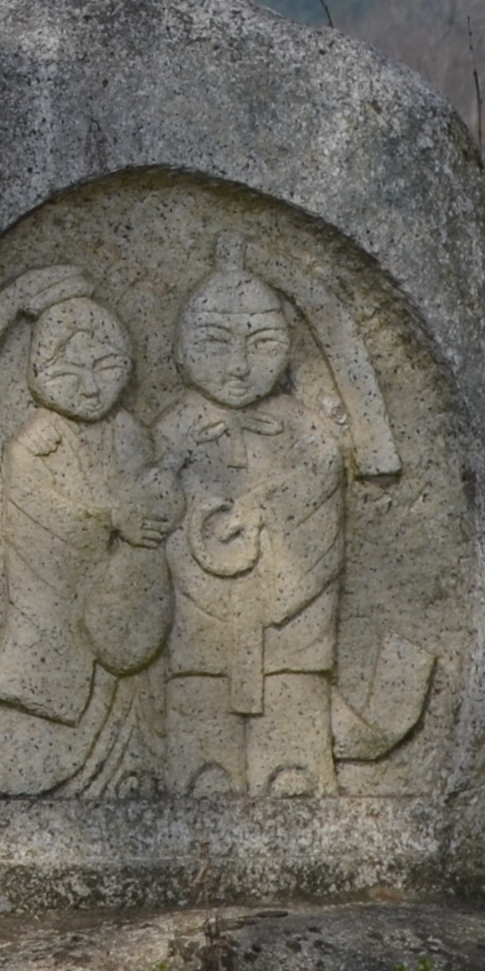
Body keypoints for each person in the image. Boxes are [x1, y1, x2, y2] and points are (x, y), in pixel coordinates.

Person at [0, 291, 175, 794]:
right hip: (61, 612)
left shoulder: (128, 433)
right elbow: (45, 517)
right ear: (39, 375)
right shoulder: (34, 445)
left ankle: (143, 772)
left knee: (137, 687)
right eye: (69, 372)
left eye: (105, 368)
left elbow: (150, 494)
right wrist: (109, 518)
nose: (89, 387)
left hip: (125, 603)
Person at [159, 254, 350, 796]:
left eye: (262, 344)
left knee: (291, 682)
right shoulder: (175, 428)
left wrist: (266, 508)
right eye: (217, 344)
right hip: (199, 603)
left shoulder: (303, 428)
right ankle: (201, 773)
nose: (239, 366)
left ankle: (294, 769)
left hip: (292, 608)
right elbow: (153, 503)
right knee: (200, 681)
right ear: (182, 348)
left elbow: (322, 493)